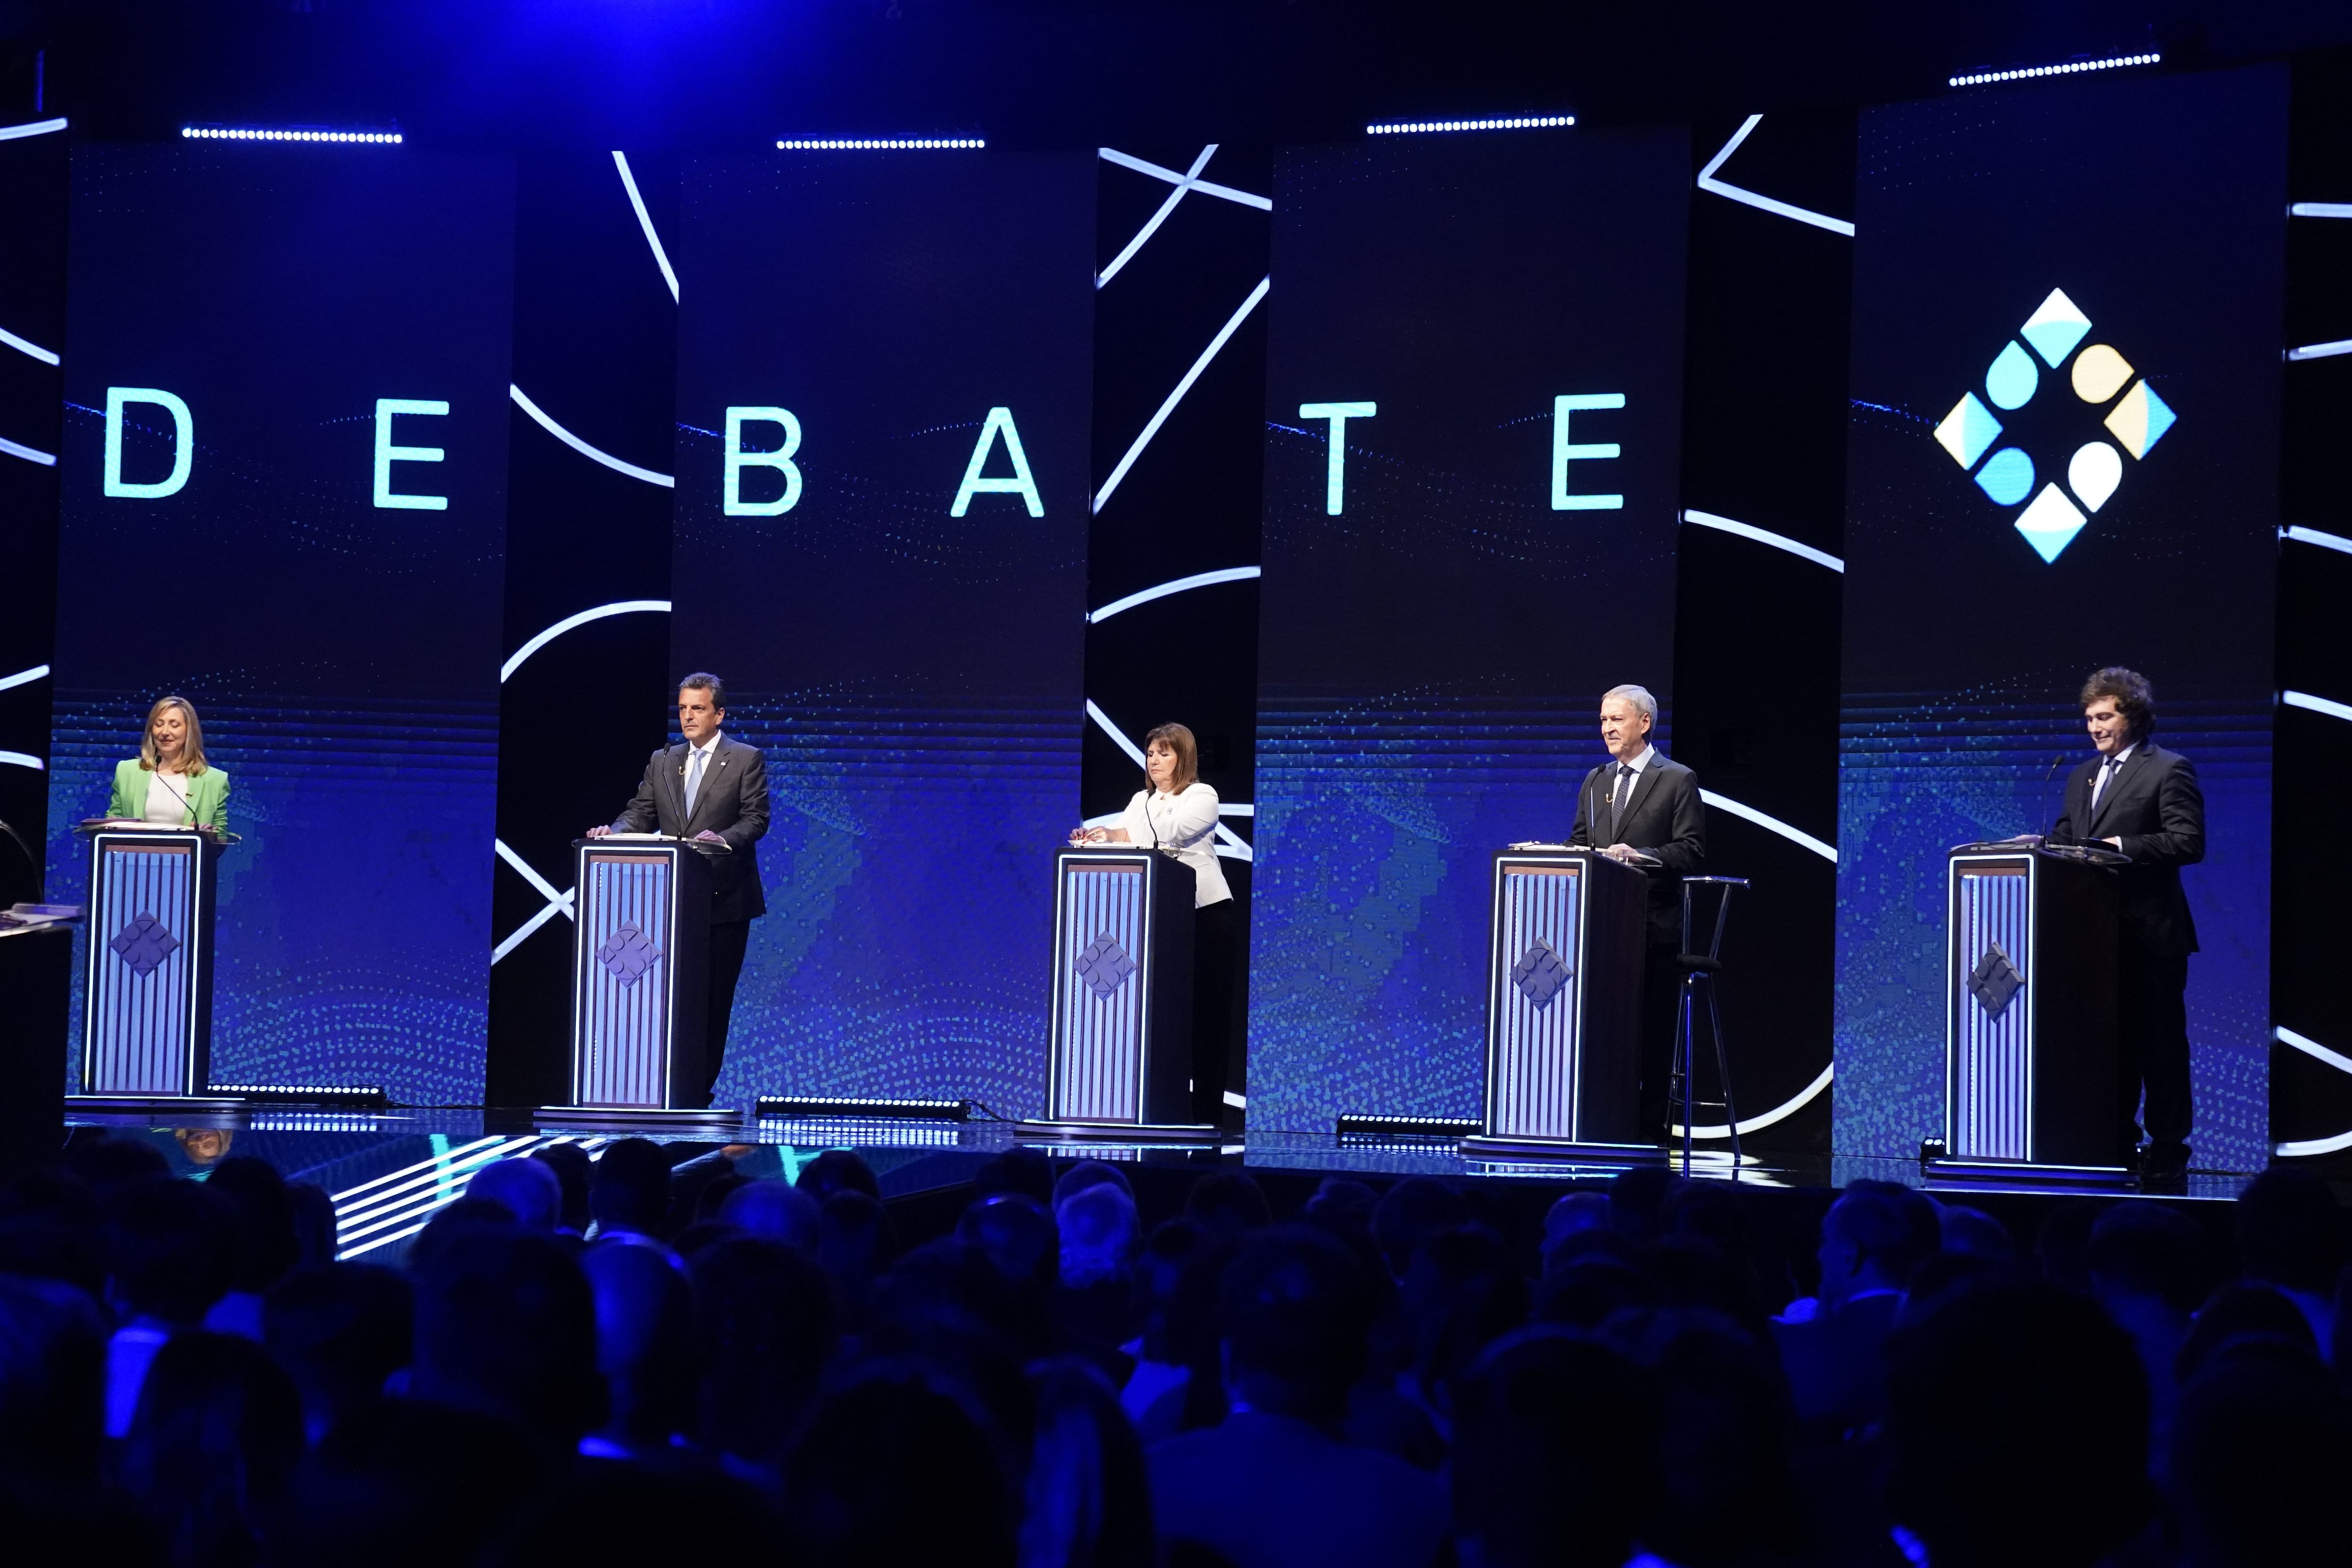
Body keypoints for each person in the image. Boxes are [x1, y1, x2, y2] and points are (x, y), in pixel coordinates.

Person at [2048, 667, 2204, 1180]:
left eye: (2104, 716)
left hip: (2150, 937)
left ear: (2131, 714)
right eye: (2088, 718)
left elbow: (2187, 841)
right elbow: (2067, 839)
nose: (2093, 727)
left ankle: (2167, 1152)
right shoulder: (2079, 777)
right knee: (2106, 1049)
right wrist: (2042, 850)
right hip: (2095, 943)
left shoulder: (2167, 769)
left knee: (2157, 1046)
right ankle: (2114, 1142)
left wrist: (2123, 848)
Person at [588, 673, 769, 1106]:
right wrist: (613, 834)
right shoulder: (664, 760)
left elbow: (756, 818)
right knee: (666, 1002)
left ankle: (696, 1091)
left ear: (719, 713)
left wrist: (722, 840)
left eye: (698, 708)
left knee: (712, 1002)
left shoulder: (745, 758)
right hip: (668, 906)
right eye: (684, 708)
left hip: (725, 902)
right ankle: (658, 1088)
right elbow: (640, 812)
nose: (688, 716)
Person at [1069, 722, 1241, 1128]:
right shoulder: (1138, 800)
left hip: (1206, 916)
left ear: (1183, 757)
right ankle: (1162, 1113)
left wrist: (1123, 832)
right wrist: (1101, 837)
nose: (1155, 760)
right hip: (1159, 921)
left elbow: (1175, 831)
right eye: (1150, 753)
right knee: (1163, 1020)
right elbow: (1134, 838)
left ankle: (1207, 1122)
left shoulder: (1202, 795)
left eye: (1164, 752)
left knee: (1208, 1021)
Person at [1565, 684, 1705, 1137]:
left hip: (1652, 926)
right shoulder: (1596, 780)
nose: (1607, 728)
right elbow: (1580, 843)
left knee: (1650, 1034)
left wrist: (1639, 855)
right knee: (1602, 1033)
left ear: (1644, 723)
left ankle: (1647, 1134)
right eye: (1603, 720)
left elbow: (1691, 850)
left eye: (1616, 720)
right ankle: (1600, 1123)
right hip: (1600, 930)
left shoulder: (1677, 779)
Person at [108, 695, 228, 830]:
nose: (165, 732)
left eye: (174, 725)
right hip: (136, 851)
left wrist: (205, 836)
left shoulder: (214, 780)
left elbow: (220, 838)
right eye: (159, 724)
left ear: (189, 731)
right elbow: (113, 821)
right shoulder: (127, 771)